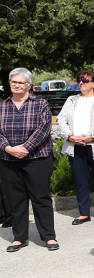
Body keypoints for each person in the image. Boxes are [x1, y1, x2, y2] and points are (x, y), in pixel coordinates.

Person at [0, 68, 58, 252]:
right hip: (8, 159)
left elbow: (43, 129)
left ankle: (48, 236)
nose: (16, 85)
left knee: (41, 198)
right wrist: (7, 148)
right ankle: (19, 237)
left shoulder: (40, 104)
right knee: (16, 200)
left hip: (37, 158)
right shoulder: (2, 105)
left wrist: (25, 148)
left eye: (21, 82)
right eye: (13, 82)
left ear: (29, 85)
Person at [58, 69, 94, 226]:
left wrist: (93, 136)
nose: (81, 83)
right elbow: (61, 119)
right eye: (79, 80)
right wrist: (70, 136)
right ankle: (84, 213)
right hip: (75, 145)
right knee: (80, 181)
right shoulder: (72, 100)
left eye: (85, 80)